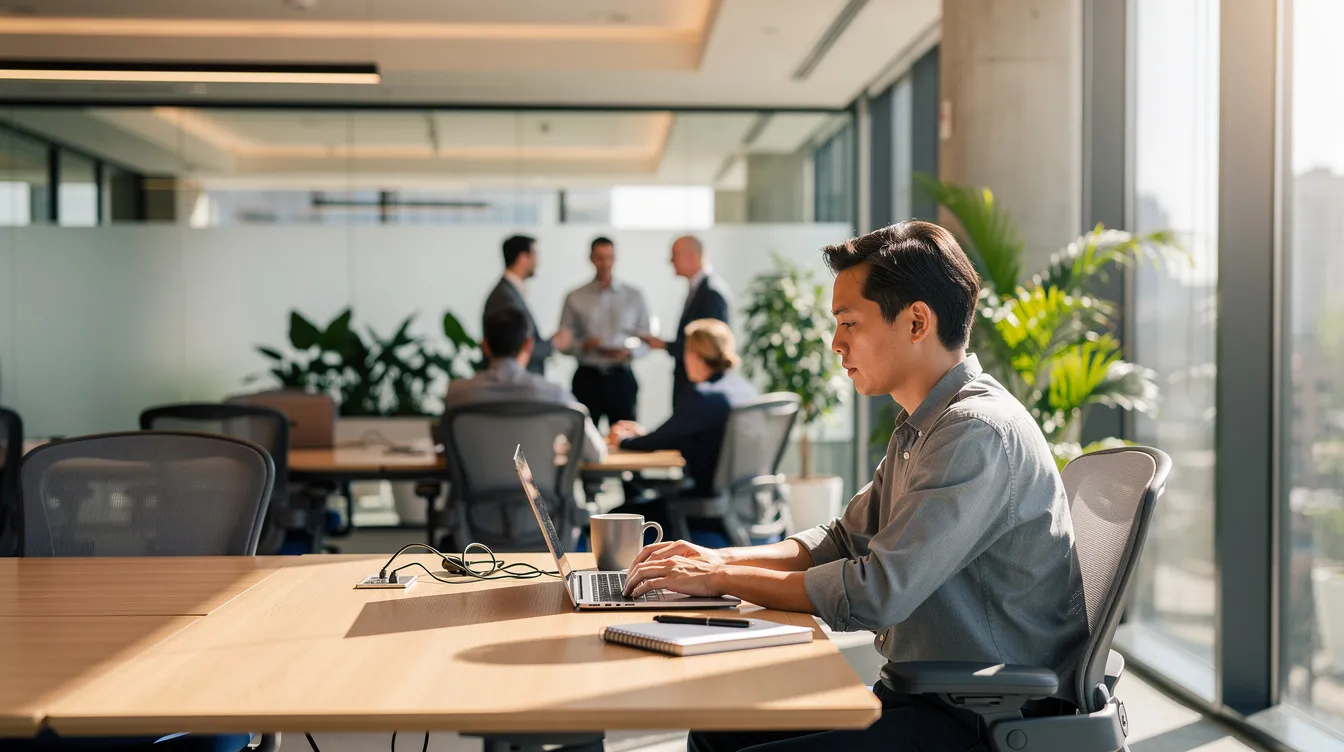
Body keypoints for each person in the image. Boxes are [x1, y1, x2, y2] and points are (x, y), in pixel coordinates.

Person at [622, 221, 1088, 752]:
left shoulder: (975, 432)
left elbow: (876, 592)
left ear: (916, 321)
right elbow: (843, 541)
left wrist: (722, 579)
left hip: (986, 716)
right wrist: (715, 561)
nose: (836, 342)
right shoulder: (923, 425)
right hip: (933, 695)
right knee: (716, 731)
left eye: (848, 323)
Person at [609, 319, 757, 514]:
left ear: (694, 355)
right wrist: (646, 434)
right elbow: (677, 435)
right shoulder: (744, 391)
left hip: (701, 501)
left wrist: (623, 440)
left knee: (613, 518)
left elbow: (658, 441)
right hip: (740, 501)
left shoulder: (704, 395)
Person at [447, 307, 605, 463]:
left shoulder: (458, 393)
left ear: (485, 347)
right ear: (529, 344)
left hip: (476, 488)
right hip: (539, 488)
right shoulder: (555, 395)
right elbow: (595, 453)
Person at [557, 236, 651, 430]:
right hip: (587, 378)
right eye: (600, 257)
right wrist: (582, 345)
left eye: (609, 257)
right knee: (582, 436)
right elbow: (563, 341)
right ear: (591, 259)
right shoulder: (575, 296)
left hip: (621, 377)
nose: (605, 263)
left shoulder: (634, 296)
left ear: (615, 258)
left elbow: (647, 339)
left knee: (626, 436)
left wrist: (629, 353)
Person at [641, 235, 731, 406]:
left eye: (674, 255)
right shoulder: (699, 289)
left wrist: (665, 345)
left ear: (691, 256)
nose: (670, 261)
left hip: (698, 388)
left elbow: (709, 346)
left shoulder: (711, 292)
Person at [482, 234, 572, 375]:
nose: (537, 261)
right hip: (514, 384)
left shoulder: (510, 292)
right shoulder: (505, 297)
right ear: (523, 258)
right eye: (534, 255)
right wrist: (553, 344)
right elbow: (511, 349)